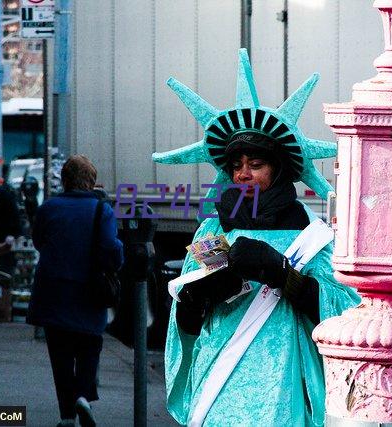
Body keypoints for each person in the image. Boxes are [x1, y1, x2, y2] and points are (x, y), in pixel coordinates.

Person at [153, 49, 359, 426]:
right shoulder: (215, 230)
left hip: (284, 388)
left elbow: (344, 313)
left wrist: (282, 274)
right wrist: (197, 297)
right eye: (236, 166)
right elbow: (189, 313)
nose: (243, 174)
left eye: (256, 164)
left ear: (279, 170)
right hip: (217, 385)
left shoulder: (312, 233)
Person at [27, 155, 124, 427]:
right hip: (88, 292)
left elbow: (39, 242)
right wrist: (119, 256)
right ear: (92, 182)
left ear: (65, 180)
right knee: (89, 347)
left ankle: (66, 416)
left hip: (53, 291)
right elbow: (110, 248)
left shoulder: (48, 208)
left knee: (60, 355)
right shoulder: (100, 210)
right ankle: (83, 395)